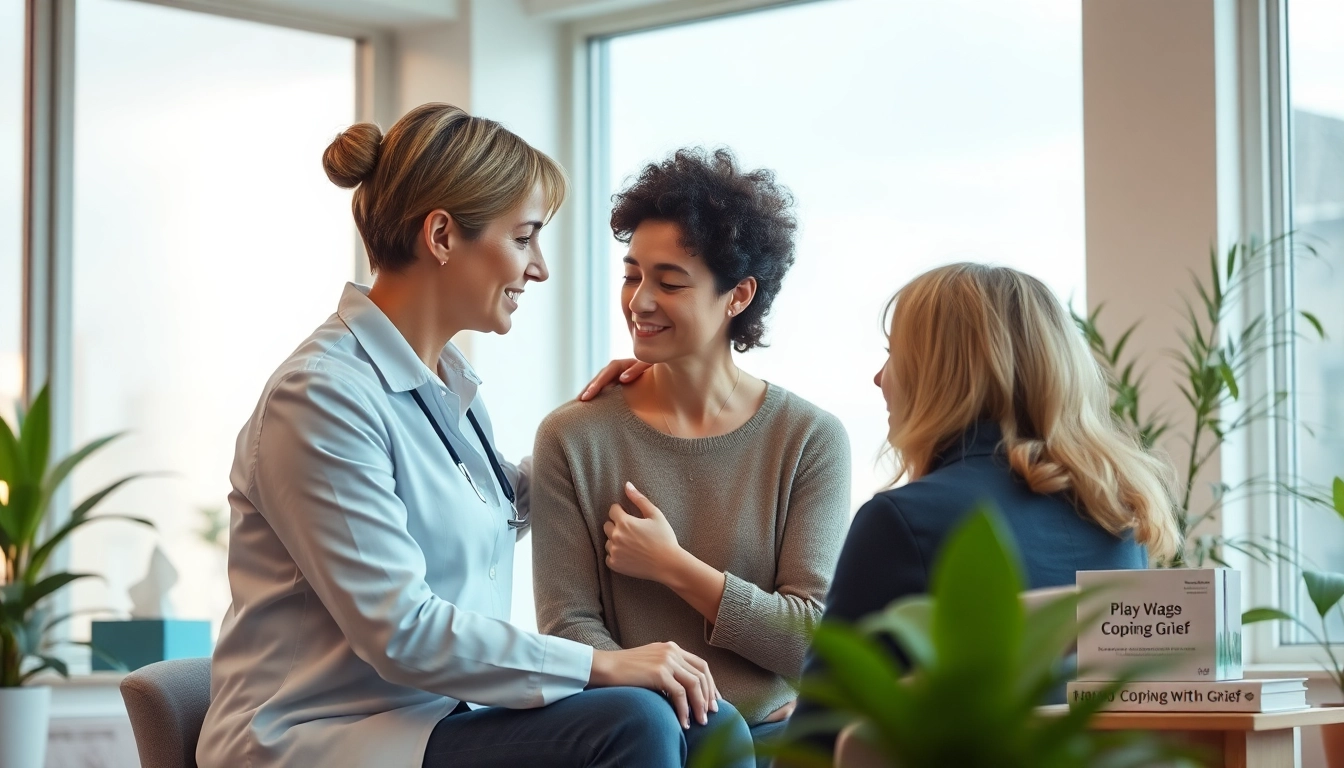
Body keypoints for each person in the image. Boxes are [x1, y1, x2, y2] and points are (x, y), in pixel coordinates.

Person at [196, 104, 754, 768]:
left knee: (708, 723)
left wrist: (613, 422)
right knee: (628, 720)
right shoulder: (321, 397)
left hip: (427, 720)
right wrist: (601, 664)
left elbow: (503, 500)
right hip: (317, 739)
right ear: (441, 236)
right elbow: (400, 630)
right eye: (523, 238)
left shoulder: (446, 386)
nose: (538, 268)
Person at [530, 148, 852, 767]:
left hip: (784, 744)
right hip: (643, 744)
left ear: (738, 296)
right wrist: (692, 716)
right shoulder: (573, 437)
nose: (640, 301)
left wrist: (675, 567)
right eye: (632, 275)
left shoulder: (810, 438)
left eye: (670, 282)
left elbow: (815, 642)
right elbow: (569, 628)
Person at [782, 262, 1181, 761]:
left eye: (895, 355)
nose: (880, 377)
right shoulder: (1120, 519)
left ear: (942, 375)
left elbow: (814, 746)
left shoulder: (902, 521)